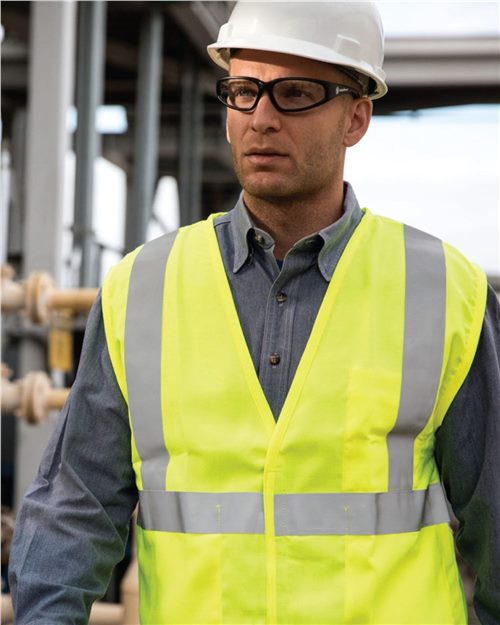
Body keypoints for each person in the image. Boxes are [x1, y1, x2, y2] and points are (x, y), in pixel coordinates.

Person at [8, 2, 500, 624]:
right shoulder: (142, 286)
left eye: (294, 94)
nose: (261, 118)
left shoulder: (445, 290)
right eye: (244, 91)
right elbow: (74, 510)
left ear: (356, 118)